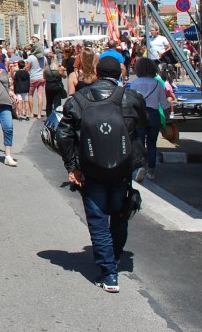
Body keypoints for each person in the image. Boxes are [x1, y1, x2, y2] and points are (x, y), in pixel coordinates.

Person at [56, 56, 148, 293]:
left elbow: (63, 135)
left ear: (96, 72)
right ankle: (115, 258)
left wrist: (72, 166)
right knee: (119, 214)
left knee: (98, 220)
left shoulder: (79, 99)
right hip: (122, 169)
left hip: (91, 167)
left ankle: (108, 273)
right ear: (120, 73)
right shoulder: (131, 98)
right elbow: (142, 128)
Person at [128, 57, 166, 181]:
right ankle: (151, 170)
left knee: (139, 142)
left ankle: (140, 167)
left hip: (140, 114)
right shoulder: (158, 83)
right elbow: (164, 104)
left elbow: (131, 101)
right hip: (154, 115)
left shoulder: (135, 83)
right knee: (152, 143)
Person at [26, 44, 45, 119]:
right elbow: (46, 67)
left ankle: (31, 113)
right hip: (41, 77)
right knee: (40, 95)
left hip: (33, 78)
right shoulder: (44, 58)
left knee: (30, 94)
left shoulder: (30, 57)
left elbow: (27, 68)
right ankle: (39, 114)